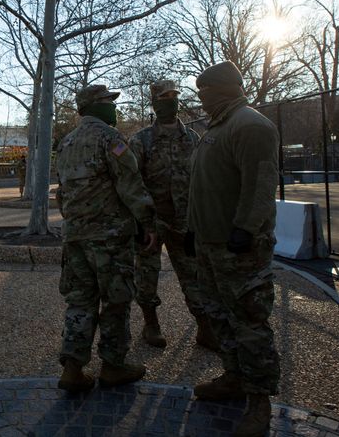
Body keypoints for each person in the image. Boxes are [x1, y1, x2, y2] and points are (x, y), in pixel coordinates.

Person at [188, 61, 280, 437]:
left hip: (239, 248)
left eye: (204, 90)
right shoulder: (216, 127)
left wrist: (244, 228)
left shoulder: (250, 125)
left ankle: (260, 403)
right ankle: (234, 377)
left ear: (223, 88)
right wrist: (194, 230)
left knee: (250, 322)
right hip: (210, 243)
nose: (200, 97)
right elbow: (204, 185)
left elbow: (260, 184)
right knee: (220, 315)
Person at [55, 84, 157, 393]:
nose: (114, 108)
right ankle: (113, 365)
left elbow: (62, 193)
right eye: (108, 102)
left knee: (80, 300)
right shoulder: (111, 140)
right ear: (93, 106)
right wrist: (147, 223)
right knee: (116, 300)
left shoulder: (66, 143)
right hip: (109, 238)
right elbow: (130, 184)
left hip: (75, 237)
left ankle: (73, 368)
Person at [129, 80, 218, 351]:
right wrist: (142, 222)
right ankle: (150, 324)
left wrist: (199, 220)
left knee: (193, 275)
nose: (171, 101)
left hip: (184, 222)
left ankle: (204, 327)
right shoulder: (141, 140)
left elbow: (203, 180)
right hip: (152, 222)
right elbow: (133, 183)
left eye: (174, 96)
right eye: (164, 97)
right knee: (147, 275)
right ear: (154, 102)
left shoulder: (192, 138)